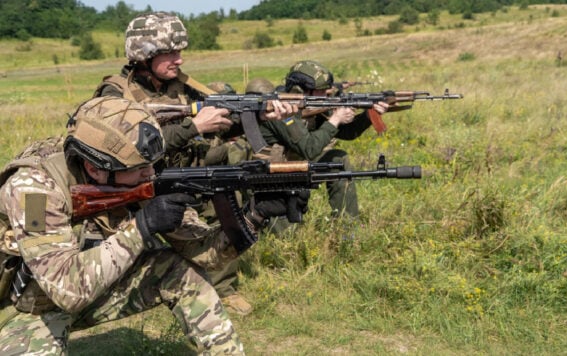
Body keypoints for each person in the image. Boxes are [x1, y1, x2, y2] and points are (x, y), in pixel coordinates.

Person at [0, 97, 307, 354]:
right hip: (19, 309)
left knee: (177, 270)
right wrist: (142, 227)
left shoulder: (133, 179)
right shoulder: (33, 193)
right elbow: (68, 289)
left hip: (76, 294)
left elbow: (204, 254)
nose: (151, 173)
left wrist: (256, 215)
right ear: (95, 168)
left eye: (153, 165)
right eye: (140, 168)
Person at [93, 12, 298, 316]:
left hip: (188, 174)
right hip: (138, 185)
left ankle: (223, 289)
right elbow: (125, 144)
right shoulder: (115, 93)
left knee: (223, 202)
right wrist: (193, 128)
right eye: (170, 52)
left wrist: (255, 116)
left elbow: (220, 125)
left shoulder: (183, 86)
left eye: (180, 52)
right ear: (144, 54)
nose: (179, 60)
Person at [256, 61, 389, 220]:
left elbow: (347, 133)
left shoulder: (311, 106)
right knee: (285, 237)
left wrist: (368, 116)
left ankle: (347, 226)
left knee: (338, 159)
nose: (327, 95)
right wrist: (336, 118)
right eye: (322, 91)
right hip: (269, 182)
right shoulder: (279, 109)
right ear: (301, 91)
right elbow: (309, 149)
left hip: (292, 169)